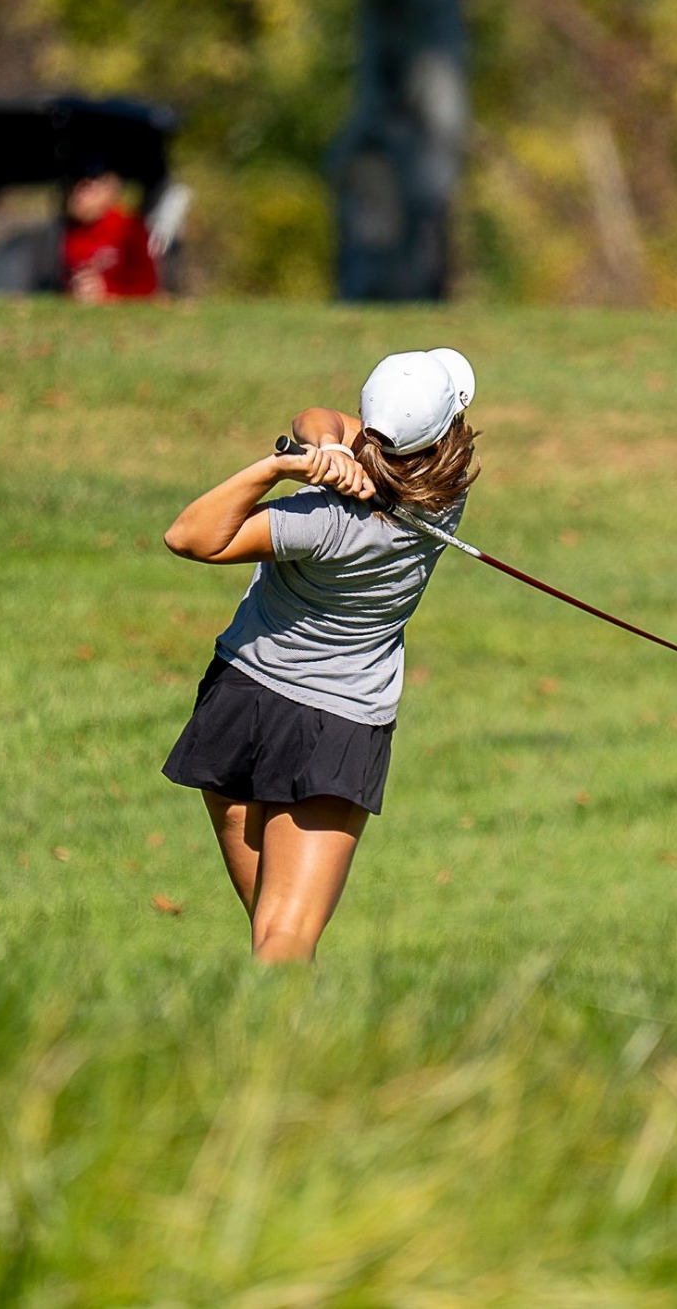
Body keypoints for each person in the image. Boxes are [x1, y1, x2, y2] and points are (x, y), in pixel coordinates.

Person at [160, 348, 480, 963]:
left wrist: (279, 467)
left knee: (273, 933)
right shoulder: (446, 495)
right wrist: (328, 448)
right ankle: (287, 1055)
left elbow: (190, 537)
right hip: (336, 724)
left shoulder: (319, 522)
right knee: (282, 936)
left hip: (242, 699)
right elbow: (319, 415)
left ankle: (266, 1052)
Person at [62, 163, 158, 302]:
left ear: (109, 189)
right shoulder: (72, 232)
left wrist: (107, 292)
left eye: (86, 187)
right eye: (76, 186)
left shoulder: (130, 227)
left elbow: (149, 286)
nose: (79, 194)